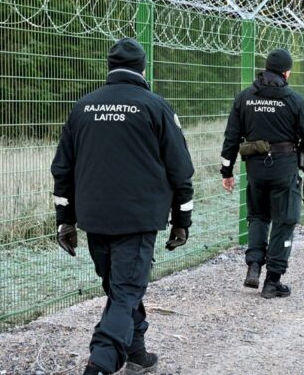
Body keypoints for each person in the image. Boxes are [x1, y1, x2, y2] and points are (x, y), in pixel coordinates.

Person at [51, 38, 194, 375]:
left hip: (94, 217)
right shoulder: (156, 107)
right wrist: (182, 219)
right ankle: (100, 363)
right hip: (138, 218)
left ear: (109, 67)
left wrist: (65, 220)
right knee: (126, 290)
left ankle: (137, 353)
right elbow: (180, 169)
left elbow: (63, 169)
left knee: (120, 290)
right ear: (143, 68)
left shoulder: (82, 107)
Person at [219, 48, 304, 299]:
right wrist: (301, 150)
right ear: (287, 72)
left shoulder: (244, 98)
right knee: (284, 221)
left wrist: (227, 170)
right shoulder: (294, 99)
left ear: (265, 69)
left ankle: (254, 265)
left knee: (257, 216)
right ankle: (273, 281)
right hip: (284, 169)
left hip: (255, 170)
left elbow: (231, 137)